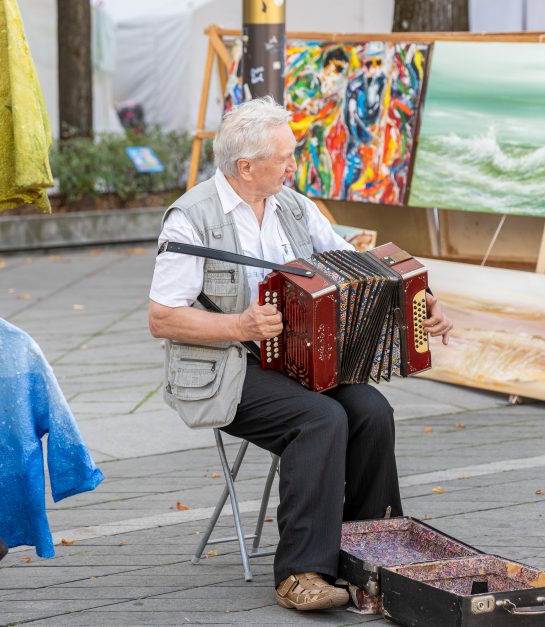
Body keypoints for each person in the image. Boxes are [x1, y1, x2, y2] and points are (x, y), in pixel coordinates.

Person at [147, 96, 452, 612]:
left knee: (373, 412)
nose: (294, 165)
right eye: (285, 157)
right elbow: (161, 317)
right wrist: (238, 324)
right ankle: (300, 572)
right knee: (321, 419)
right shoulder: (190, 219)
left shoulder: (294, 204)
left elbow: (356, 264)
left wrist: (419, 302)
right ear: (246, 167)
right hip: (229, 367)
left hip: (299, 360)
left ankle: (369, 551)